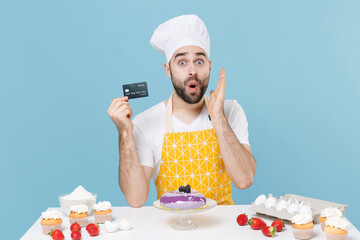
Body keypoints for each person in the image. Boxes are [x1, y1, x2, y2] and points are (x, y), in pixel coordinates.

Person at [108, 15, 256, 207]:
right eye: (182, 62)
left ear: (210, 67)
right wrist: (125, 132)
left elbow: (244, 180)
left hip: (223, 230)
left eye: (200, 62)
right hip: (171, 231)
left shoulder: (231, 110)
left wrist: (218, 117)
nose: (192, 71)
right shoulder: (146, 121)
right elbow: (136, 199)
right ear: (168, 69)